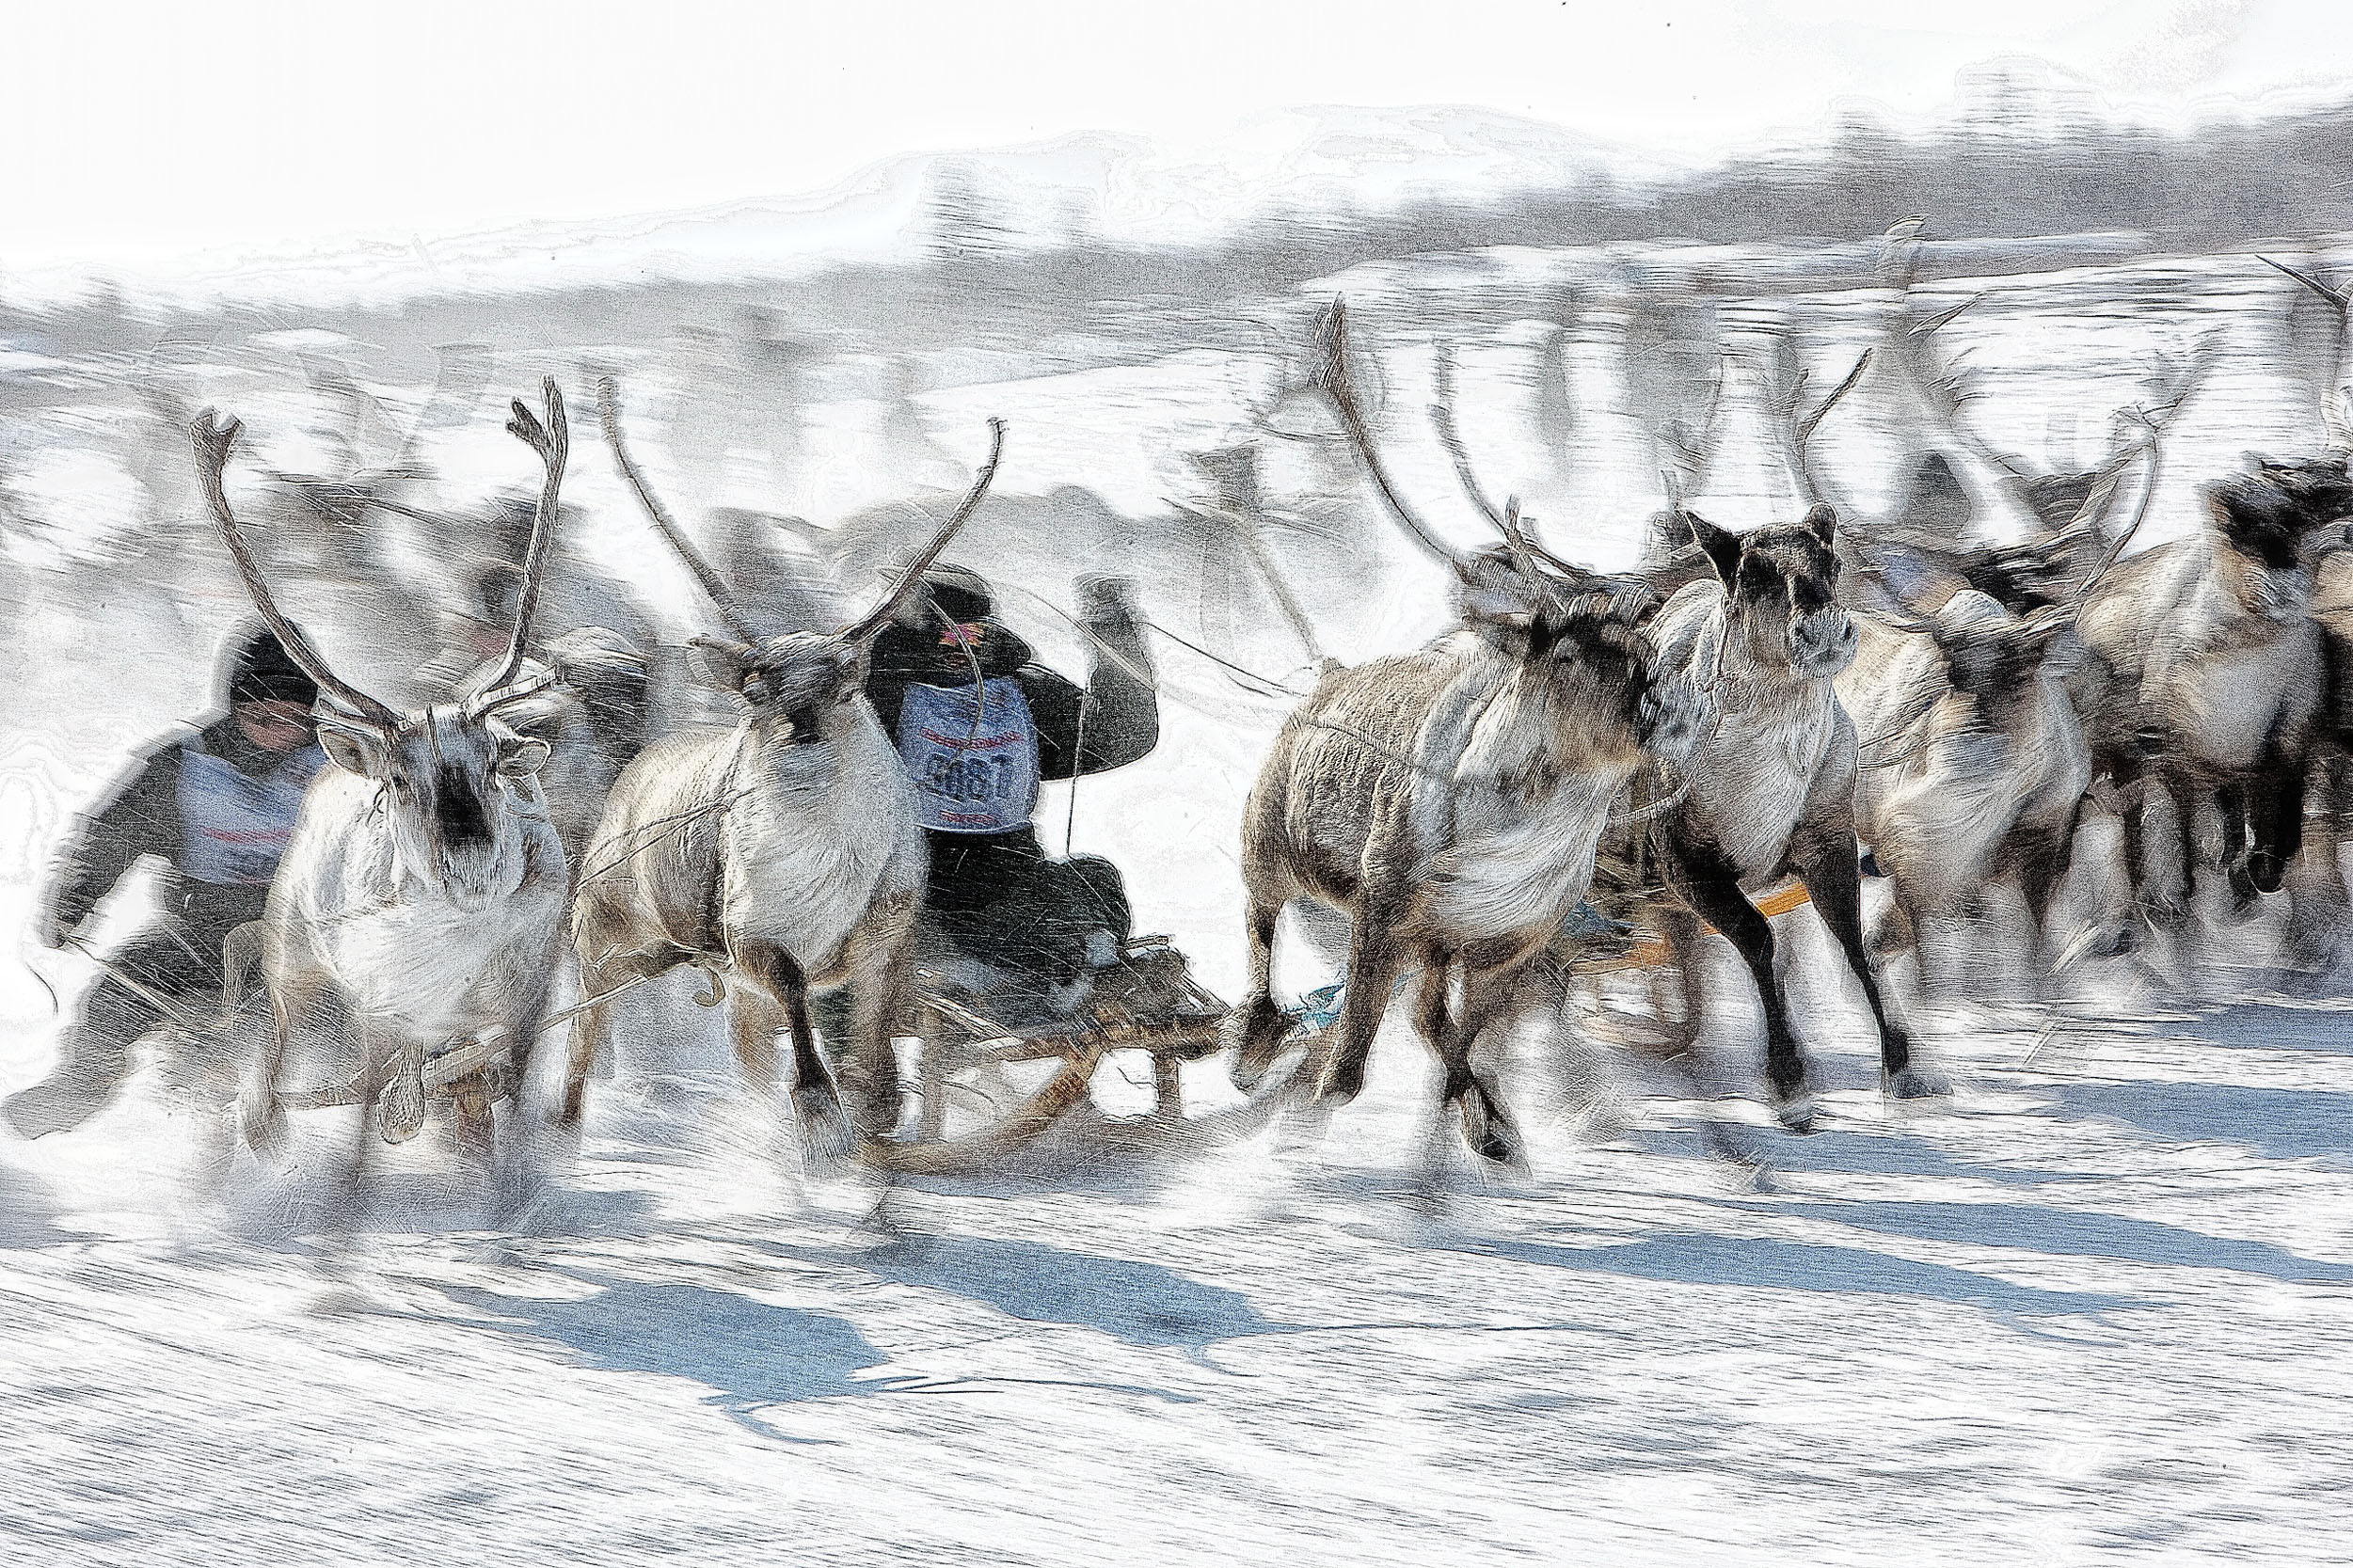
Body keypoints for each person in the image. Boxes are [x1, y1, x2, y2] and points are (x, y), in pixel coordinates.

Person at [4, 624, 326, 1139]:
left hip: (305, 946)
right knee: (113, 1003)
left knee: (343, 1021)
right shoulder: (187, 766)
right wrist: (74, 900)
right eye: (261, 712)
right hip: (195, 937)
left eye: (292, 715)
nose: (276, 728)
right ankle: (66, 1099)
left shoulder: (335, 768)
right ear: (236, 706)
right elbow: (115, 832)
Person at [855, 564, 1161, 1025]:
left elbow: (1122, 733)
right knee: (1011, 925)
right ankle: (1029, 985)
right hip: (909, 888)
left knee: (1094, 882)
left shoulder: (1019, 694)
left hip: (1009, 872)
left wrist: (1114, 630)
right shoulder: (871, 701)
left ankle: (1077, 977)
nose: (961, 649)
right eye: (945, 637)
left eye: (973, 634)